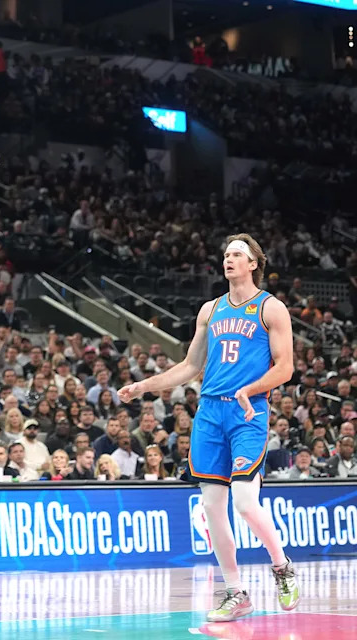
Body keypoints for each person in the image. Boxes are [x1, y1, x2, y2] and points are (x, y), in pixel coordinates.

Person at [118, 234, 298, 621]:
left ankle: (282, 566)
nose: (229, 259)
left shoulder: (271, 308)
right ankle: (236, 592)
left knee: (246, 503)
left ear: (254, 264)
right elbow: (188, 366)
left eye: (238, 254)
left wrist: (251, 388)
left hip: (248, 412)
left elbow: (285, 367)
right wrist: (144, 385)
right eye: (227, 254)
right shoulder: (209, 310)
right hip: (210, 415)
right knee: (212, 507)